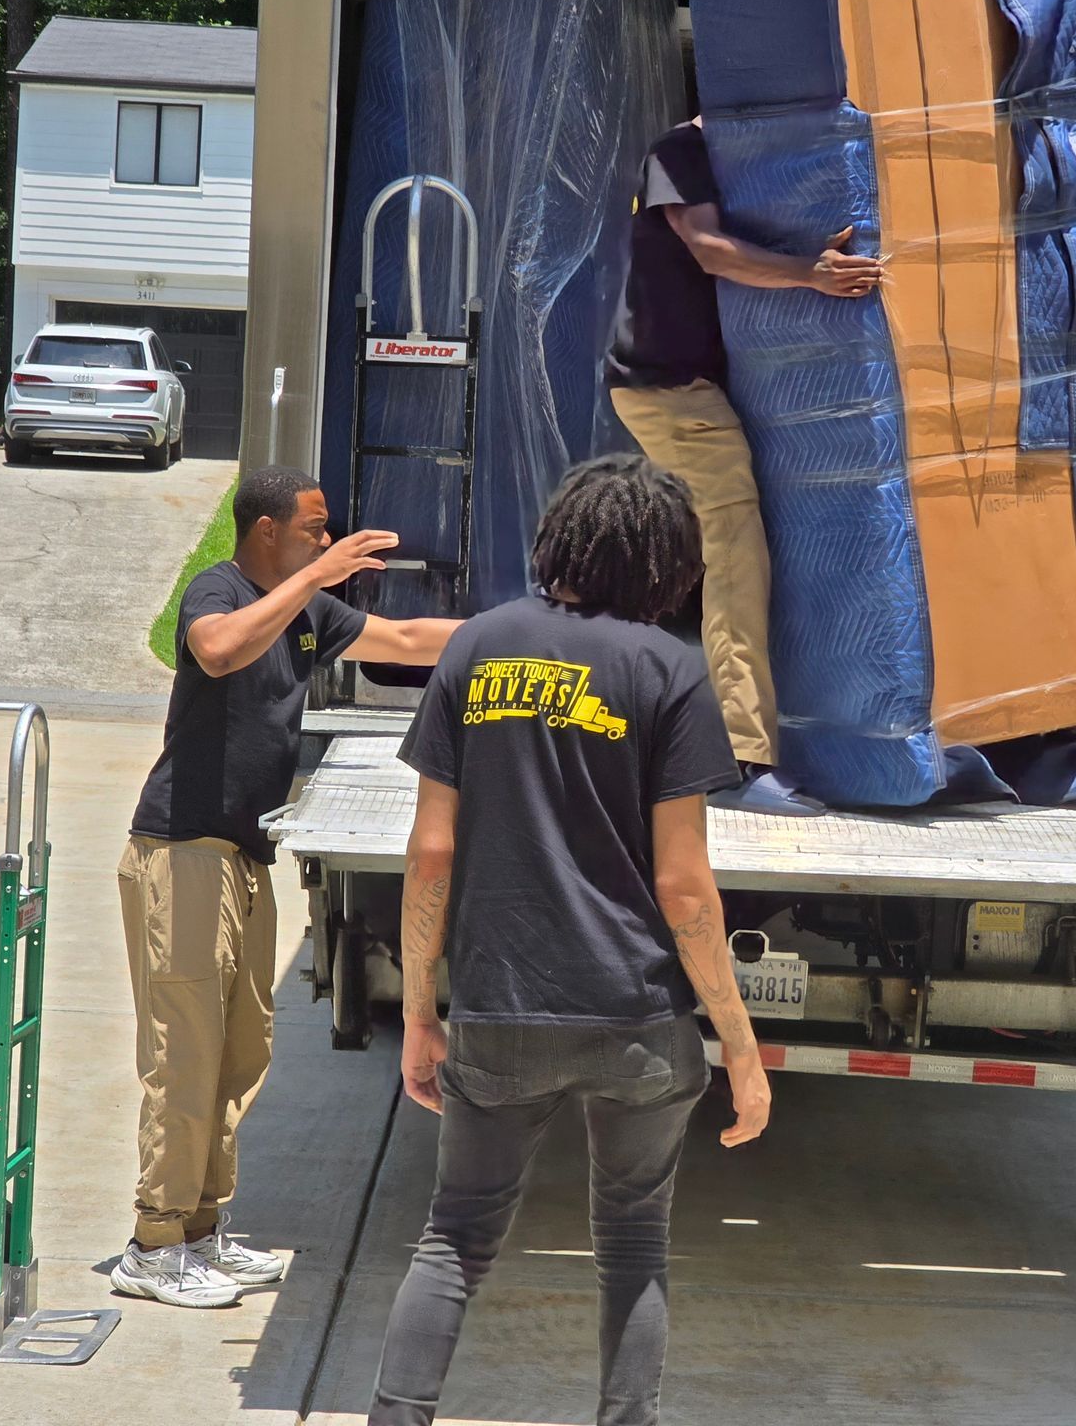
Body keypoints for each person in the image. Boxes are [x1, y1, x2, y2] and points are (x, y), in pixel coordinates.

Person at [368, 453, 773, 1426]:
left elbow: (430, 854)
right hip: (636, 1019)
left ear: (564, 539)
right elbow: (683, 885)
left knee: (454, 1238)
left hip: (499, 1012)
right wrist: (743, 1048)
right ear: (662, 564)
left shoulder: (477, 648)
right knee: (633, 1246)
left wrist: (421, 1013)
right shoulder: (670, 671)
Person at [112, 468, 462, 1308]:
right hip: (180, 849)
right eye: (313, 528)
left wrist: (531, 633)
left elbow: (410, 641)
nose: (325, 539)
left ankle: (201, 1231)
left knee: (240, 1051)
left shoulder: (309, 612)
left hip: (243, 854)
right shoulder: (220, 589)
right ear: (266, 528)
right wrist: (317, 573)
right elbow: (217, 649)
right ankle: (153, 1247)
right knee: (184, 1057)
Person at [605, 116, 883, 814]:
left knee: (719, 559)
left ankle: (678, 728)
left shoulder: (741, 162)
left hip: (694, 388)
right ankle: (739, 760)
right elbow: (707, 249)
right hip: (670, 390)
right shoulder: (681, 150)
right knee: (734, 560)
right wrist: (808, 273)